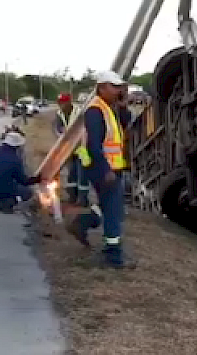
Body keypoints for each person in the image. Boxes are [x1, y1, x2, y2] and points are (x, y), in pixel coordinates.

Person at [66, 70, 135, 269]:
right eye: (114, 87)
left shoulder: (109, 107)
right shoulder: (95, 110)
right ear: (102, 87)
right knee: (113, 211)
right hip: (103, 169)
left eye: (120, 87)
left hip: (112, 167)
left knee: (110, 206)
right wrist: (106, 170)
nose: (118, 90)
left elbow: (125, 124)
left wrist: (123, 106)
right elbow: (94, 145)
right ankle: (113, 256)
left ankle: (82, 223)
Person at [0, 126, 42, 213]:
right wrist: (37, 179)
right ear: (16, 146)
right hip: (1, 189)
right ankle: (7, 203)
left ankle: (3, 201)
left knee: (7, 184)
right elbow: (23, 181)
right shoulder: (14, 159)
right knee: (27, 192)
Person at [53, 93, 90, 206]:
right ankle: (72, 196)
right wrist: (62, 134)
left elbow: (85, 129)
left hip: (82, 148)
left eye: (63, 103)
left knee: (82, 174)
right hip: (69, 148)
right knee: (72, 173)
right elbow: (58, 129)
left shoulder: (79, 112)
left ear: (69, 102)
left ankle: (83, 199)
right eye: (60, 103)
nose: (61, 105)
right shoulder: (59, 114)